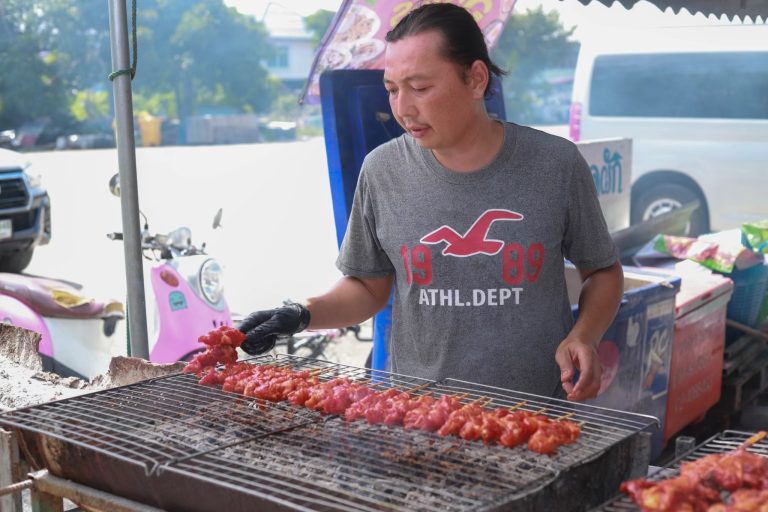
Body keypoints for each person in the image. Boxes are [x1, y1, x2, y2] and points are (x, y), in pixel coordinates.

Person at [239, 3, 623, 402]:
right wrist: (301, 313)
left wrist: (584, 335)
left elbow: (603, 271)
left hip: (534, 414)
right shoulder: (382, 171)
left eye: (420, 88)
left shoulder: (555, 164)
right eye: (392, 90)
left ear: (476, 79)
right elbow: (368, 287)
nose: (403, 109)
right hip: (419, 413)